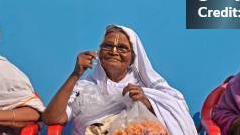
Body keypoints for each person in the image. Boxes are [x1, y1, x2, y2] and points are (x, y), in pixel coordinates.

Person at [42, 25, 198, 134]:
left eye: (122, 48)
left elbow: (174, 114)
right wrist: (76, 74)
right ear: (100, 52)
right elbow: (51, 118)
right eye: (108, 46)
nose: (114, 51)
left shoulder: (144, 86)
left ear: (132, 58)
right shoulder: (84, 87)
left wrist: (145, 102)